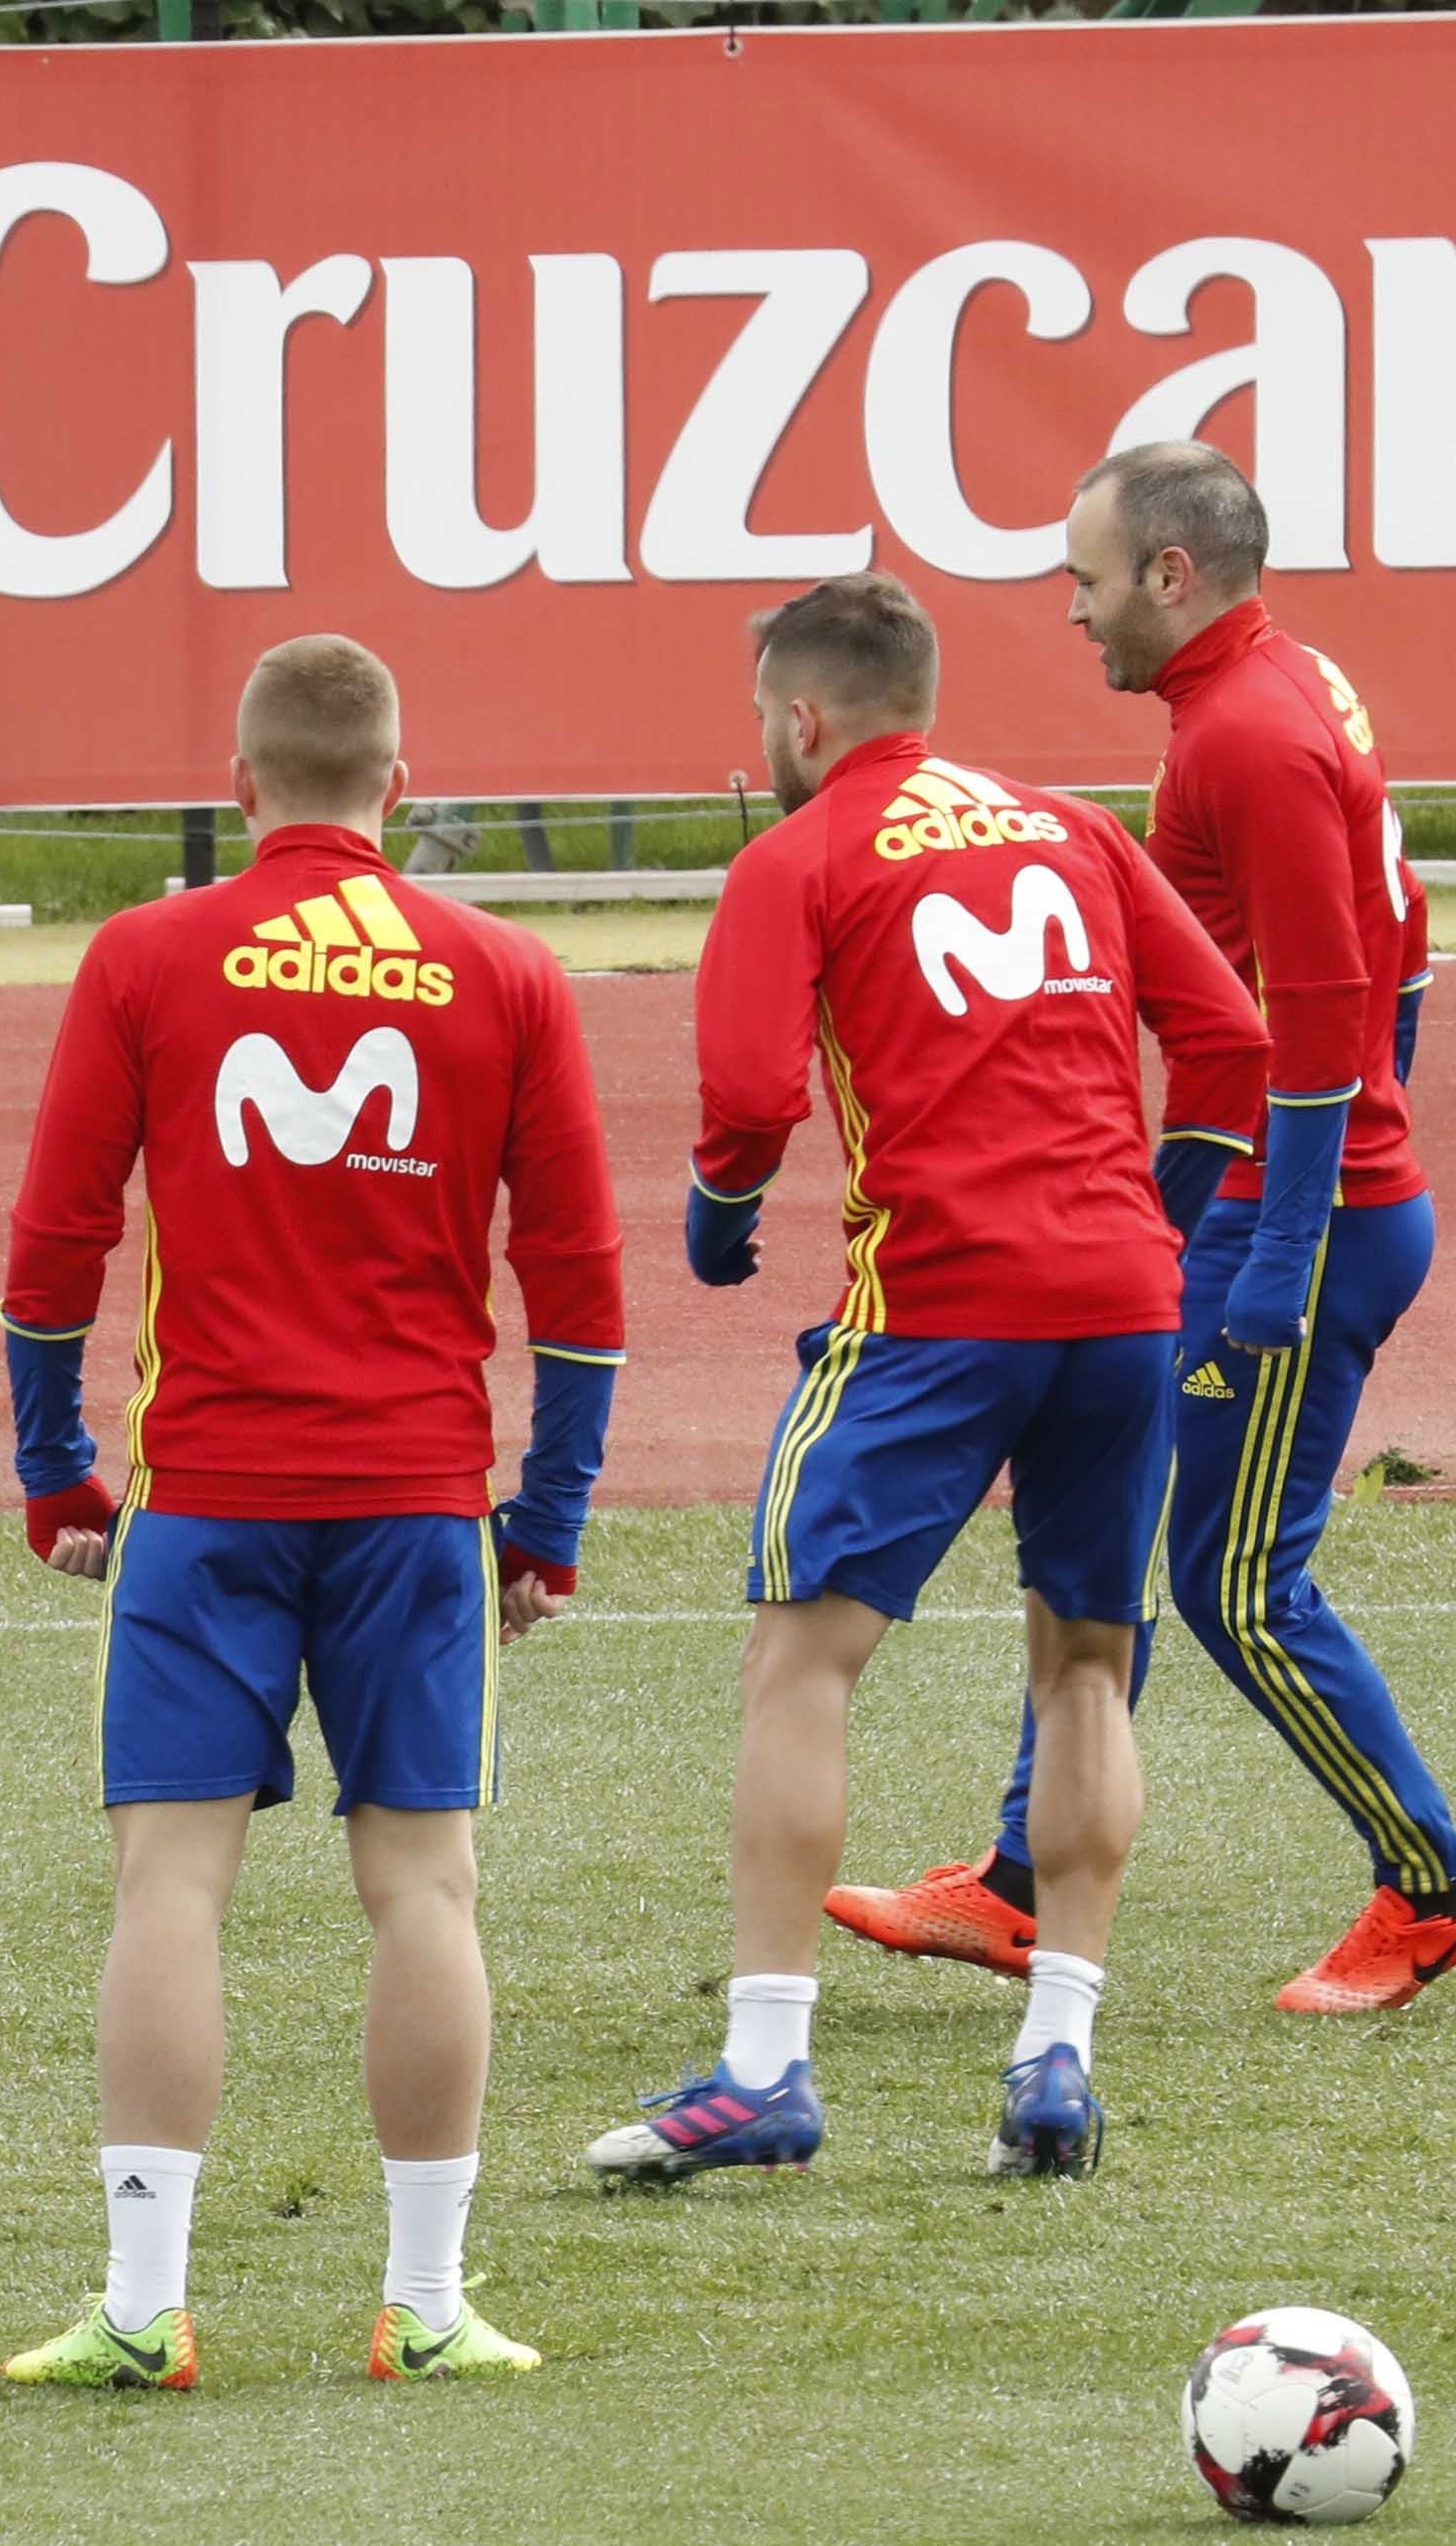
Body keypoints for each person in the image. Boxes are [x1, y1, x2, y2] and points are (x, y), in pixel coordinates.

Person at [584, 573, 1266, 2188]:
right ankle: (1057, 2055)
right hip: (1119, 1309)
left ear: (805, 719)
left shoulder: (798, 855)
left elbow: (751, 1090)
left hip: (936, 1310)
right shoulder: (1075, 828)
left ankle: (764, 2066)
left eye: (765, 719)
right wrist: (1141, 1230)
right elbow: (1231, 1041)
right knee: (1087, 1668)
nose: (763, 745)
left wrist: (723, 1208)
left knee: (801, 1662)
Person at [0, 636, 621, 2390]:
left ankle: (142, 2308)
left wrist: (55, 1467)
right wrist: (546, 1516)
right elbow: (576, 1285)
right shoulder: (504, 971)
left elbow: (56, 1251)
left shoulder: (146, 955)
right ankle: (423, 2305)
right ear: (398, 792)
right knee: (426, 1887)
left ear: (243, 784)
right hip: (418, 1504)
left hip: (206, 1499)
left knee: (169, 1889)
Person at [826, 443, 1456, 2017]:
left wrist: (1282, 1236)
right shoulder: (1287, 686)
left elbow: (1331, 1000)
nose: (1074, 612)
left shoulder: (1244, 739)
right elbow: (1393, 945)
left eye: (1087, 578)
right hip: (1276, 1200)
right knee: (1101, 1532)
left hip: (1299, 1226)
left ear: (1170, 576)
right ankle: (1011, 1884)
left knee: (1237, 1585)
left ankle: (1437, 1888)